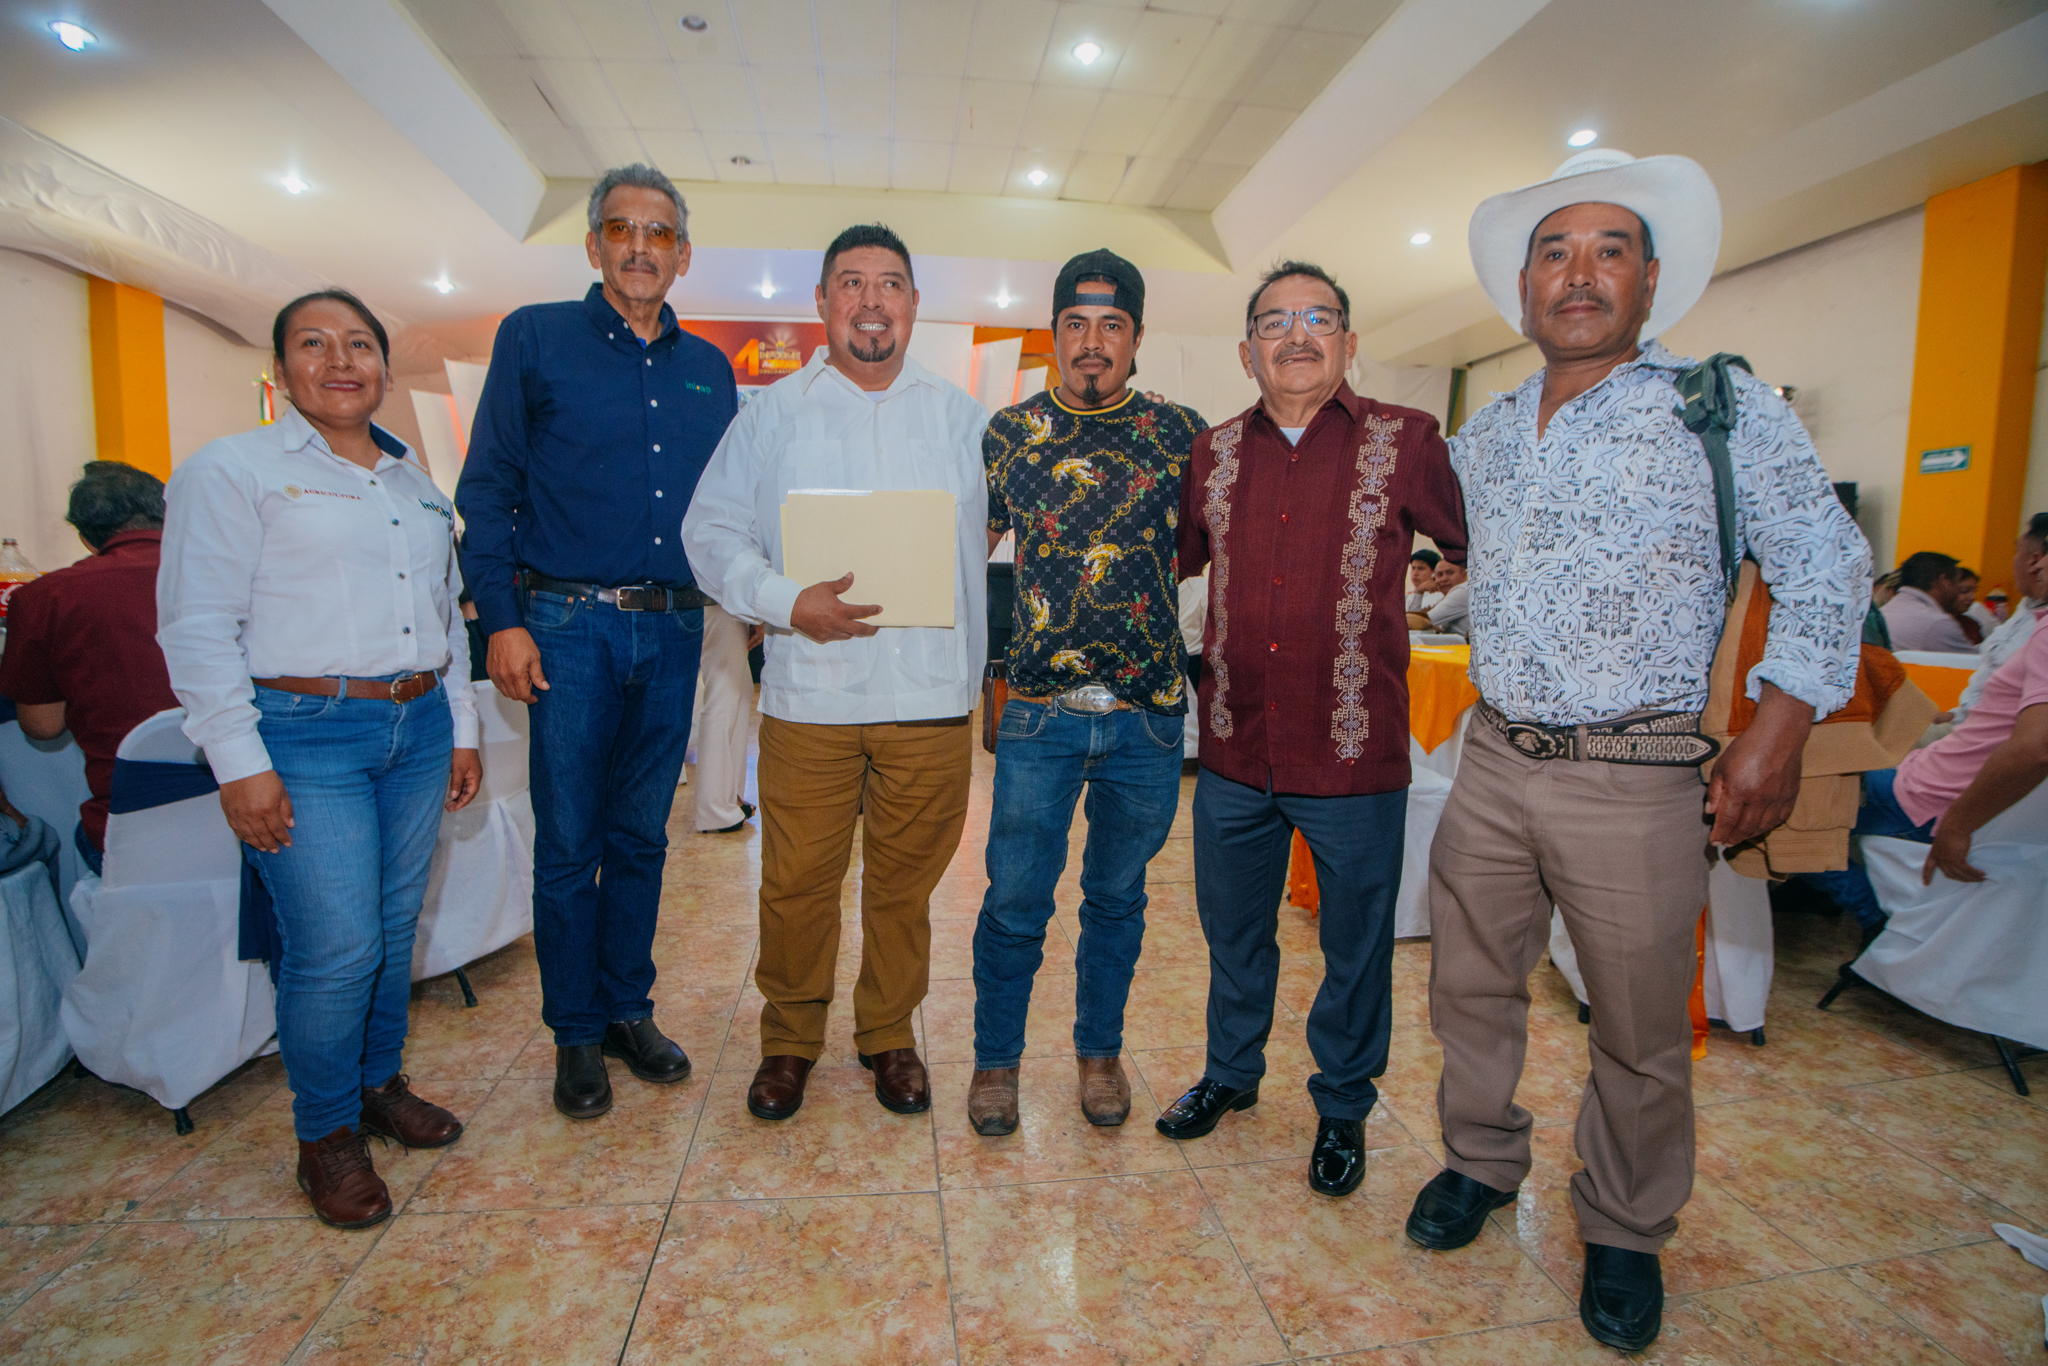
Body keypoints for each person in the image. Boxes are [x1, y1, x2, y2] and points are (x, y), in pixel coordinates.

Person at [1420, 150, 1869, 1352]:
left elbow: (1826, 563)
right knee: (1467, 986)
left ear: (1649, 279)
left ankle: (1622, 1223)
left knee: (1633, 1021)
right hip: (1491, 758)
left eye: (1607, 250)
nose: (1578, 274)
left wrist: (1777, 729)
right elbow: (1467, 562)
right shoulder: (1486, 434)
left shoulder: (1718, 407)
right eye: (1553, 253)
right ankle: (1478, 1159)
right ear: (1522, 287)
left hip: (1636, 769)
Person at [158, 290, 481, 1228]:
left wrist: (461, 727)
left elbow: (446, 619)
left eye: (360, 345)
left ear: (383, 365)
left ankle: (377, 1085)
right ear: (281, 368)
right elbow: (196, 626)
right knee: (336, 945)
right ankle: (326, 1135)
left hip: (416, 726)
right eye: (314, 343)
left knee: (390, 928)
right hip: (302, 732)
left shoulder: (416, 484)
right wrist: (238, 760)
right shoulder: (234, 470)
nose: (340, 361)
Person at [1161, 261, 1468, 1201]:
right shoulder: (1211, 453)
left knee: (1354, 947)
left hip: (1352, 751)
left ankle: (1342, 1106)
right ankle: (1231, 1072)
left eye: (1319, 319)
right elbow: (1178, 564)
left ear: (1349, 341)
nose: (1297, 336)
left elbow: (1475, 545)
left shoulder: (1407, 440)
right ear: (1246, 351)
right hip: (1234, 749)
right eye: (1275, 321)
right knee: (1233, 933)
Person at [682, 223, 989, 1121]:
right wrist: (784, 600)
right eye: (850, 283)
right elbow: (709, 532)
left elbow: (1003, 533)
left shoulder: (966, 421)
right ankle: (789, 1040)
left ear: (914, 305)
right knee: (796, 883)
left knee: (904, 889)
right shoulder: (770, 416)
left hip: (930, 699)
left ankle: (889, 1032)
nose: (870, 301)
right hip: (812, 698)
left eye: (889, 283)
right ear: (821, 302)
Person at [457, 164, 738, 1121]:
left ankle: (627, 1009)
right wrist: (502, 619)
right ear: (593, 245)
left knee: (642, 838)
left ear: (683, 255)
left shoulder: (710, 369)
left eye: (659, 233)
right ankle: (575, 1032)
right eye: (621, 229)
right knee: (571, 842)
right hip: (567, 628)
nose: (640, 247)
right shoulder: (534, 339)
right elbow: (487, 490)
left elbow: (728, 506)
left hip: (675, 627)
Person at [966, 249, 1205, 1135]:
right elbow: (966, 553)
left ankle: (1100, 1054)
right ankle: (996, 1063)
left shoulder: (1182, 433)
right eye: (1076, 324)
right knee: (1015, 902)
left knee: (1117, 901)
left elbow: (1208, 548)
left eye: (1111, 325)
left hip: (1147, 718)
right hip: (1039, 715)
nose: (1092, 342)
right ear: (1055, 333)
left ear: (1136, 337)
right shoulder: (1009, 433)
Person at [1804, 582, 2048, 931]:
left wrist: (1957, 826)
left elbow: (2036, 749)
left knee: (1785, 808)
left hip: (1933, 795)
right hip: (1937, 777)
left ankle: (1875, 922)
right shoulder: (2030, 621)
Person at [0, 462, 178, 873]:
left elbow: (43, 726)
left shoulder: (45, 597)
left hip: (131, 828)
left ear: (85, 537)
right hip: (259, 813)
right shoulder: (233, 574)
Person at [1953, 514, 2046, 724]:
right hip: (1969, 719)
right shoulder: (2025, 608)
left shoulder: (2042, 627)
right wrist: (1956, 714)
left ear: (2034, 560)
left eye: (2016, 551)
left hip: (1995, 730)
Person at [692, 605, 761, 833]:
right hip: (721, 601)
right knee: (723, 695)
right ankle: (715, 808)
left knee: (739, 689)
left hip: (724, 601)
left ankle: (729, 797)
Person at [1880, 551, 1976, 652]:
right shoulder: (1937, 623)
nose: (1957, 591)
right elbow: (1973, 659)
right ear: (1943, 581)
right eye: (1956, 584)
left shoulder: (1883, 612)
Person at [1425, 558, 1471, 637]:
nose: (1444, 579)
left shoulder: (1463, 591)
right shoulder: (1441, 598)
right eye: (1439, 575)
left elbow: (1424, 622)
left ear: (1464, 575)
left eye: (1450, 573)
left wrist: (1417, 592)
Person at [1405, 549, 1443, 614]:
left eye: (1421, 568)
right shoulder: (1407, 597)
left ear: (1435, 571)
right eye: (1413, 568)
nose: (1415, 573)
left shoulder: (1440, 597)